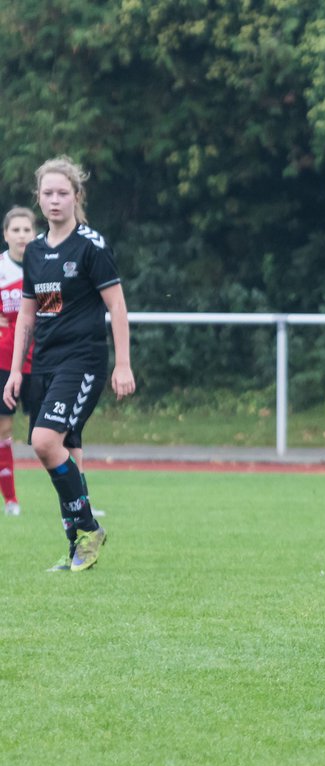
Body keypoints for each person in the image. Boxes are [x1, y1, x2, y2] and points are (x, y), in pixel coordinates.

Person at [2, 157, 135, 571]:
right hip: (44, 362)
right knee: (64, 449)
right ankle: (78, 543)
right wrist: (17, 372)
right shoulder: (37, 251)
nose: (55, 200)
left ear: (77, 197)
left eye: (63, 193)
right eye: (48, 193)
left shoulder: (91, 246)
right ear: (39, 200)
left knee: (44, 442)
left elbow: (117, 306)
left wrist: (123, 365)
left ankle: (90, 528)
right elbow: (29, 314)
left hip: (83, 360)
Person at [1, 206, 37, 516]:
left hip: (42, 359)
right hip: (3, 360)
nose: (22, 235)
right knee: (3, 428)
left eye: (27, 229)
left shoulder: (44, 264)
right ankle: (11, 501)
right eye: (16, 229)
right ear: (6, 234)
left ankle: (77, 498)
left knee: (53, 432)